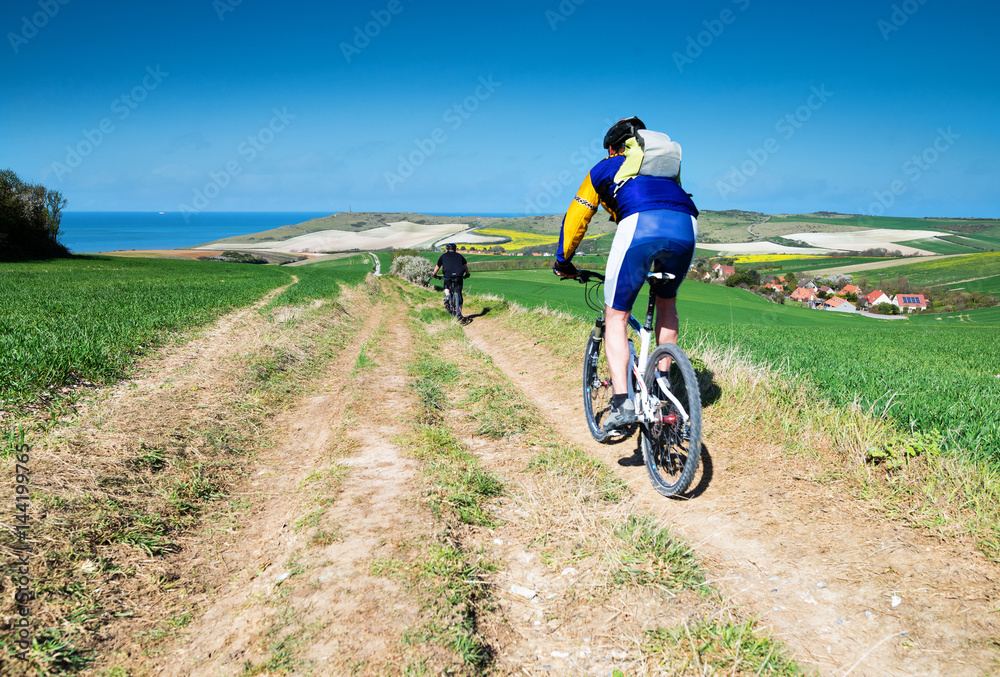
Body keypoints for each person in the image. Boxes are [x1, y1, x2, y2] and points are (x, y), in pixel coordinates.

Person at [552, 117, 699, 429]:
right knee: (666, 302)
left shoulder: (604, 167)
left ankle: (623, 402)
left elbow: (578, 216)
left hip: (640, 226)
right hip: (687, 225)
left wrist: (563, 260)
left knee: (616, 315)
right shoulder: (664, 170)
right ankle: (661, 384)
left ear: (610, 147)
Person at [432, 242, 470, 318]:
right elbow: (465, 266)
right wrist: (467, 274)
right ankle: (460, 313)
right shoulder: (460, 256)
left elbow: (437, 267)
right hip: (459, 276)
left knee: (446, 286)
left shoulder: (443, 256)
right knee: (459, 293)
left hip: (448, 275)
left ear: (447, 249)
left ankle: (448, 295)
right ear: (455, 249)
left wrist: (434, 274)